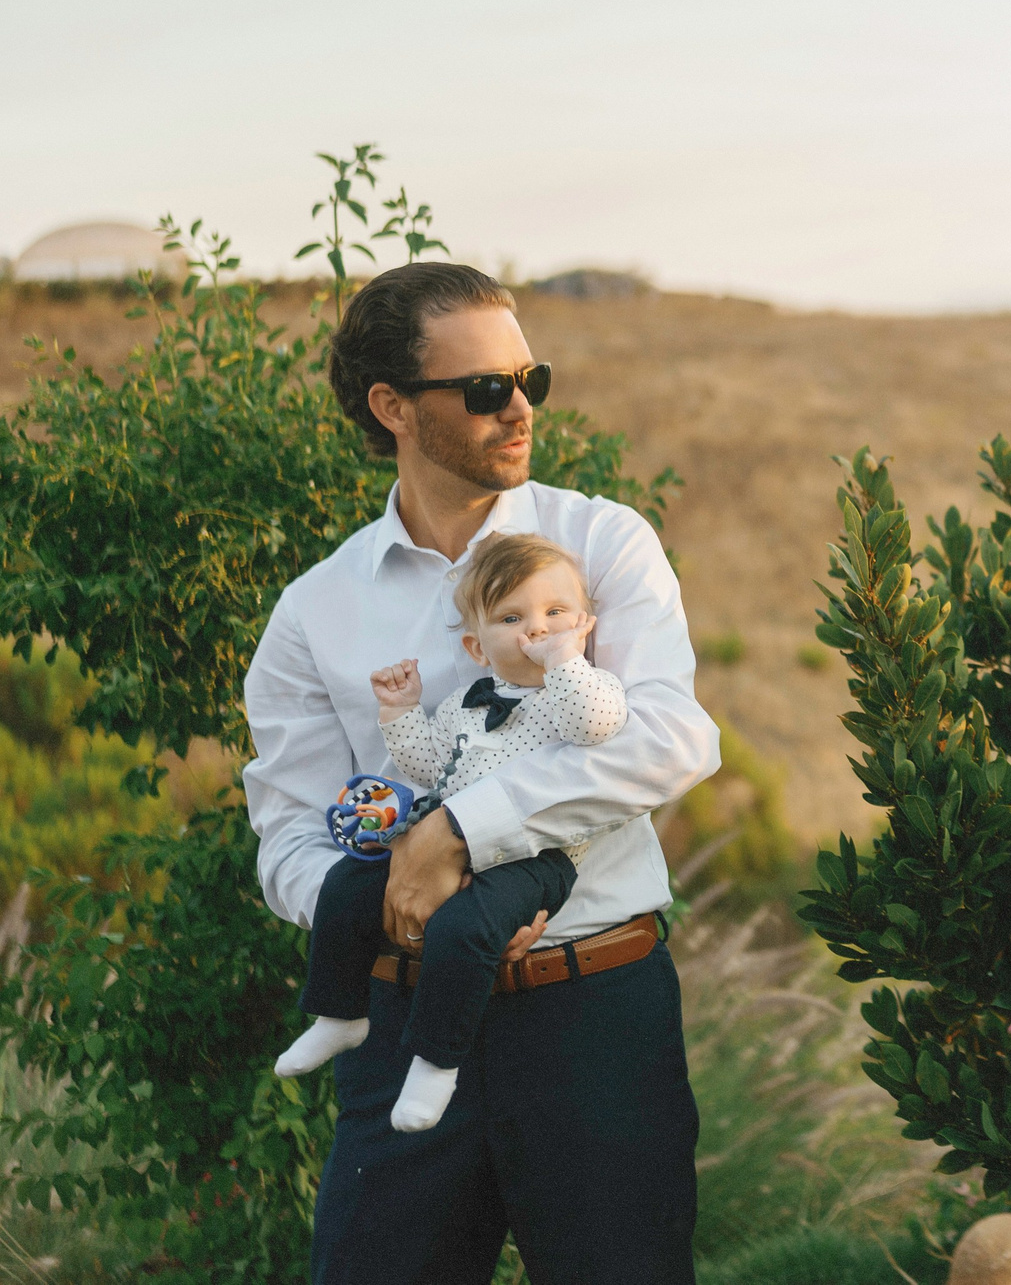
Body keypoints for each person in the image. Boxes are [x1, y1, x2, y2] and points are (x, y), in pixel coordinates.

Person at [243, 261, 720, 1285]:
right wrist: (384, 903)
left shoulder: (602, 544)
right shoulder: (313, 612)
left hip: (596, 1015)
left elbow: (672, 739)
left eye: (528, 379)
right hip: (404, 1021)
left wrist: (459, 834)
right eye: (484, 389)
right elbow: (285, 836)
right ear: (391, 407)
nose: (519, 409)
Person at [274, 533, 628, 1135]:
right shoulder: (467, 700)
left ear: (585, 624)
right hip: (440, 838)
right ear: (477, 646)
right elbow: (427, 765)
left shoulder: (584, 688)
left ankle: (436, 1062)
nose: (537, 631)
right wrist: (400, 711)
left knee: (466, 929)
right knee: (349, 885)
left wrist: (566, 659)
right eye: (512, 618)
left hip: (532, 857)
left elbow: (596, 727)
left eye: (555, 614)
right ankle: (340, 1012)